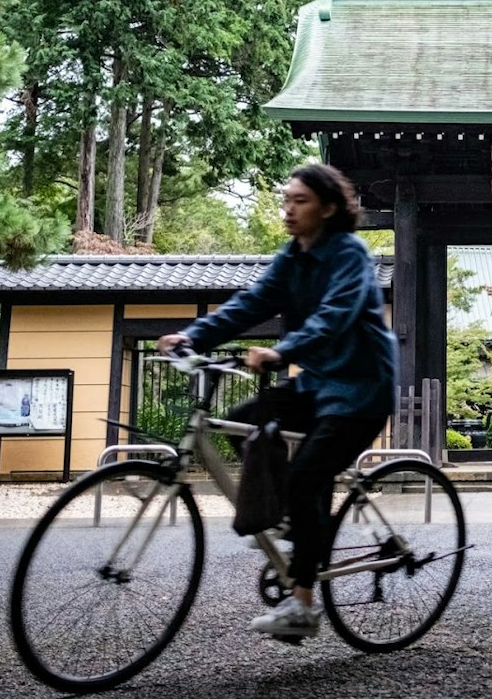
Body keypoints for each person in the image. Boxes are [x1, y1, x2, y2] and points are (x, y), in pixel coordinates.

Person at [157, 163, 396, 639]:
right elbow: (252, 302)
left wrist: (282, 350)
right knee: (241, 423)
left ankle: (303, 606)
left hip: (360, 389)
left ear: (328, 208)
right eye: (286, 199)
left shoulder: (349, 253)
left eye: (300, 201)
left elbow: (334, 316)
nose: (288, 209)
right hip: (316, 384)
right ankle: (295, 524)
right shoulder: (292, 257)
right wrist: (192, 336)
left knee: (309, 474)